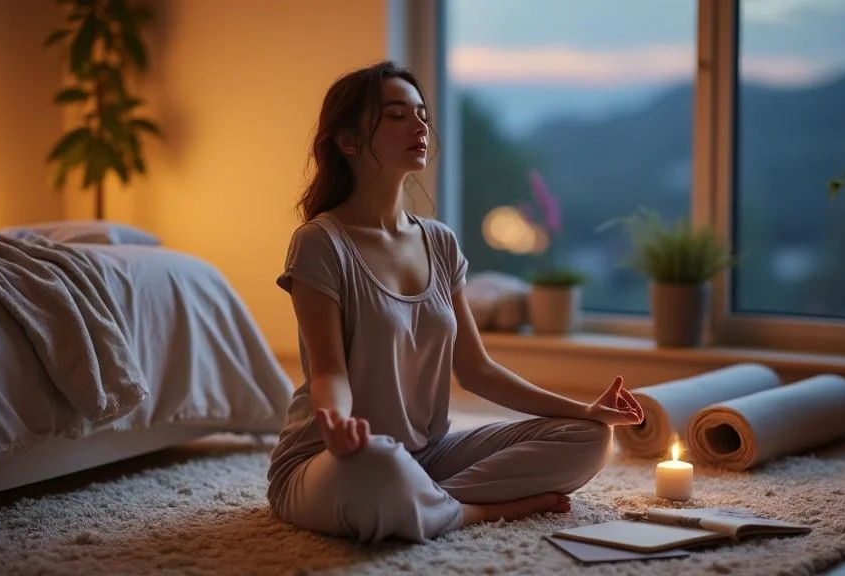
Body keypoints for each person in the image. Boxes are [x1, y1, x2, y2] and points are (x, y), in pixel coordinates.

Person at [266, 60, 645, 545]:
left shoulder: (440, 243)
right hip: (334, 458)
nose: (420, 125)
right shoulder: (320, 243)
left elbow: (477, 370)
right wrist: (336, 422)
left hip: (428, 454)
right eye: (397, 114)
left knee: (590, 440)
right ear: (348, 140)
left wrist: (584, 410)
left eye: (422, 113)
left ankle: (420, 503)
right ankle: (473, 511)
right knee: (381, 466)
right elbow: (328, 373)